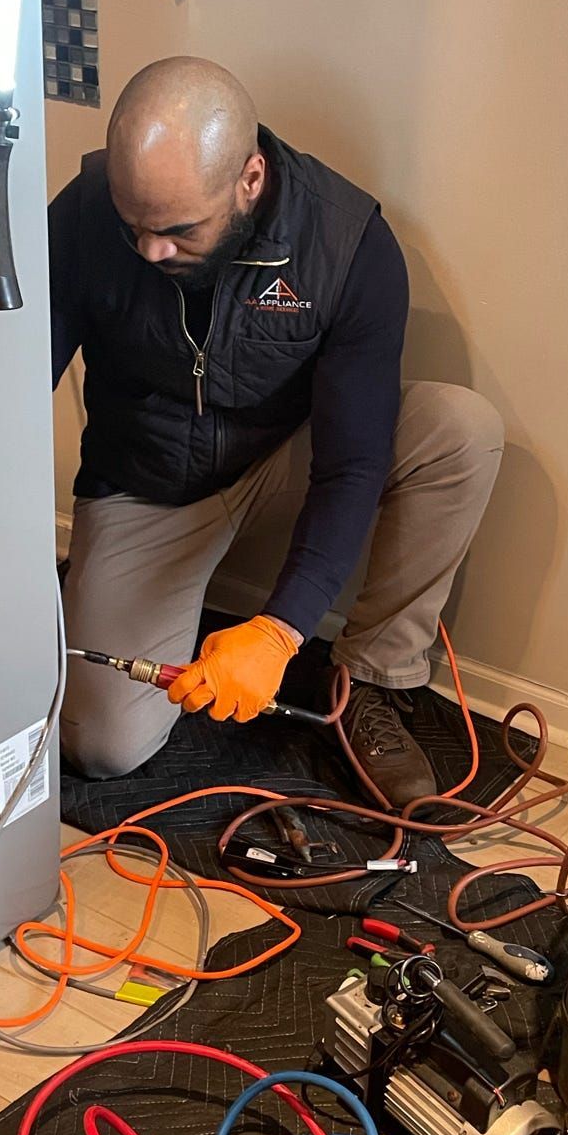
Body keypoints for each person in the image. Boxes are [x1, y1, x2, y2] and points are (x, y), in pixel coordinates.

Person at [47, 56, 504, 807]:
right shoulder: (87, 215)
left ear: (250, 179)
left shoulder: (347, 243)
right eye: (136, 228)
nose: (152, 251)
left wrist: (282, 631)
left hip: (287, 459)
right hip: (148, 483)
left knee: (461, 429)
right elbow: (15, 383)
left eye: (178, 230)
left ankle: (371, 682)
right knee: (102, 747)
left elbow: (354, 462)